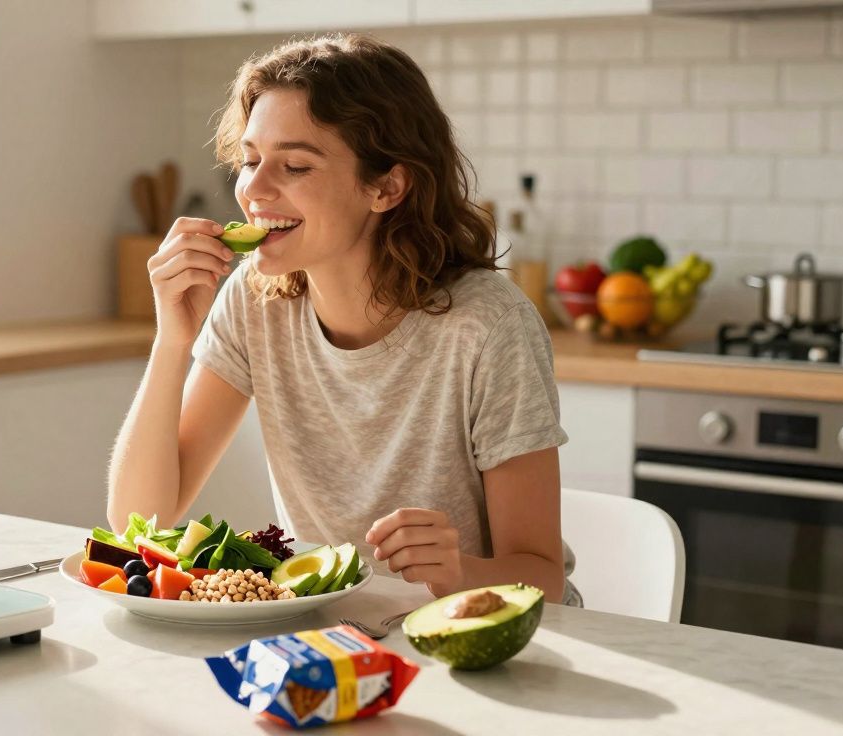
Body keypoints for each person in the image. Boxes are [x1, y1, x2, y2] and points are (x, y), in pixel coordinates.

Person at [107, 33, 578, 606]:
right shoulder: (255, 304)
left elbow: (546, 581)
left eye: (296, 166)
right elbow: (141, 521)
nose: (252, 190)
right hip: (340, 635)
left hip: (484, 635)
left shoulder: (487, 326)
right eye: (250, 160)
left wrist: (457, 570)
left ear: (386, 186)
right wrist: (172, 340)